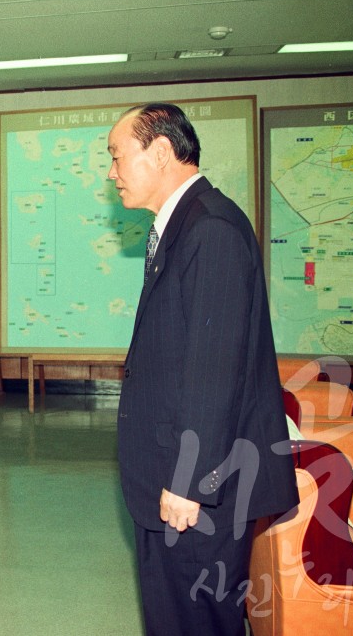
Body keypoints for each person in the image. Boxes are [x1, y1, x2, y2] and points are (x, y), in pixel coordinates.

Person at [108, 103, 299, 636]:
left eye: (117, 155)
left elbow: (214, 371)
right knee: (175, 617)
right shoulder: (185, 224)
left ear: (162, 152)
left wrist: (190, 482)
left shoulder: (209, 229)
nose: (111, 171)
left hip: (198, 488)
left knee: (198, 621)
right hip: (177, 476)